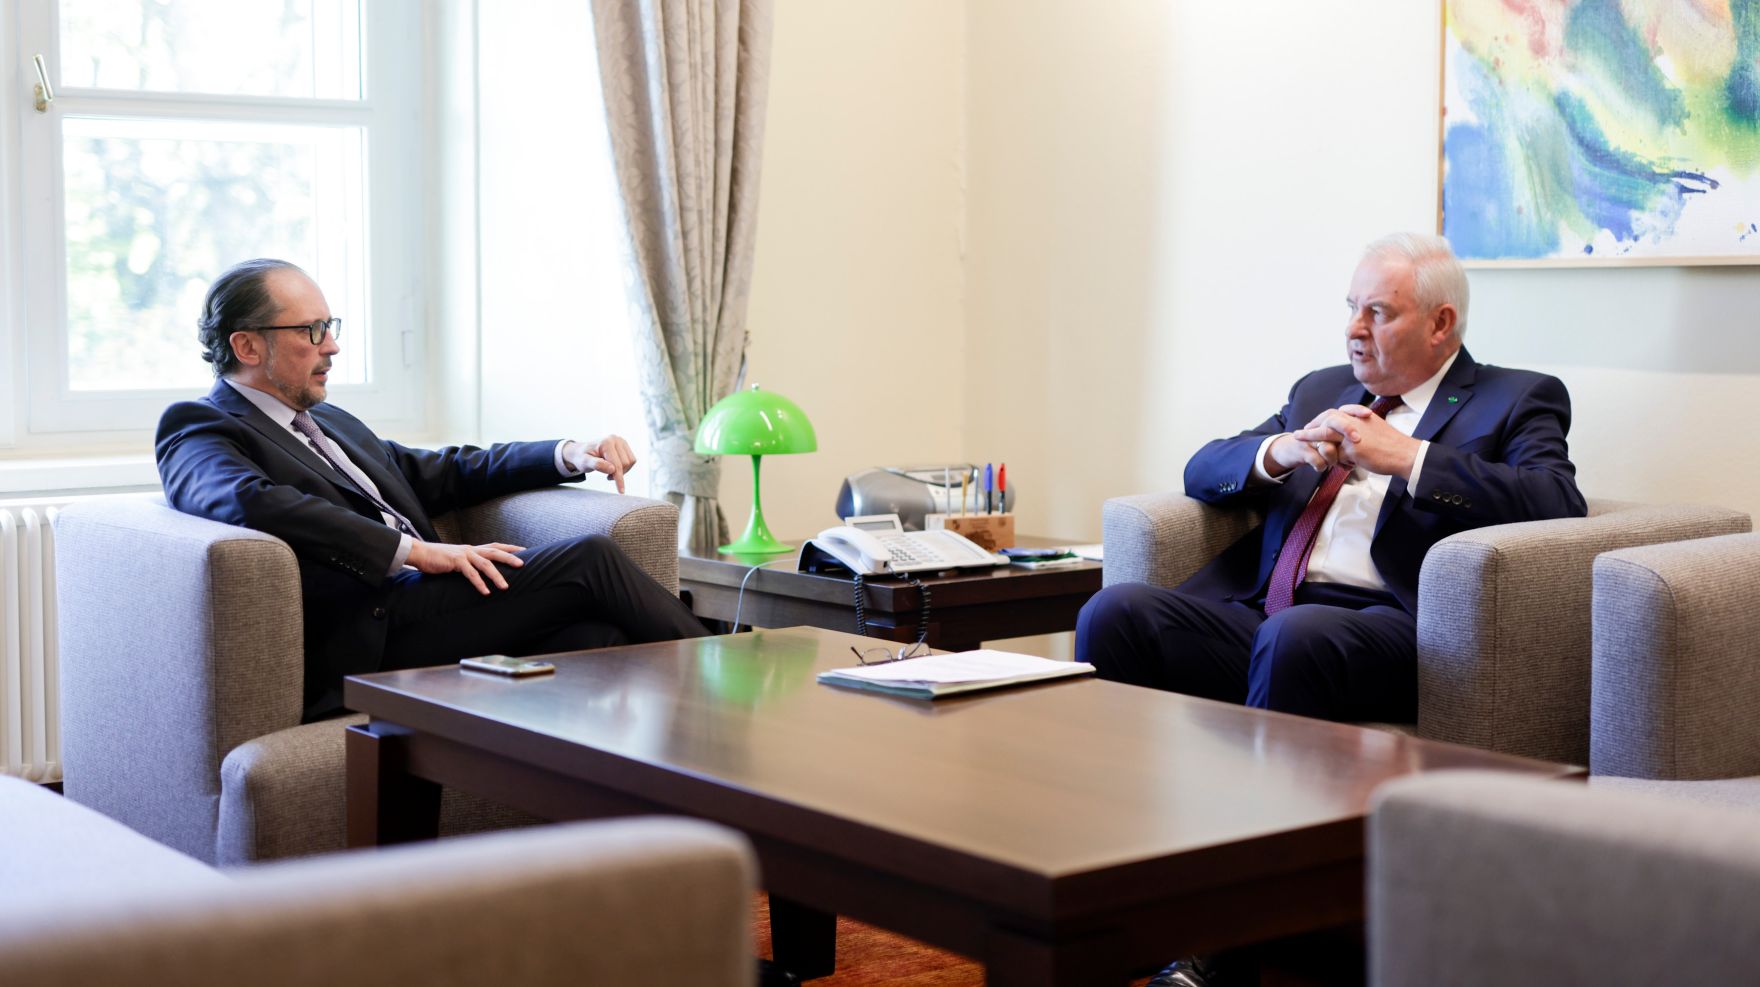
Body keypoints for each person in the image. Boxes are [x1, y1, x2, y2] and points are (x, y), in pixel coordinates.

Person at [156, 258, 707, 722]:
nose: (333, 348)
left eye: (332, 325)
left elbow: (441, 470)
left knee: (599, 638)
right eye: (311, 331)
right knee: (592, 558)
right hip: (369, 633)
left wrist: (566, 455)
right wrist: (417, 552)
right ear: (248, 346)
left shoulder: (332, 422)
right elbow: (247, 500)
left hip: (428, 611)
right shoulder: (199, 427)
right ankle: (727, 688)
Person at [1076, 232, 1586, 724]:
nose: (1353, 329)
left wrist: (1410, 457)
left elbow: (1556, 501)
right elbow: (1203, 470)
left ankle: (1271, 811)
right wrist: (1284, 451)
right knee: (1114, 611)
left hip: (1392, 628)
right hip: (1268, 613)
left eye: (1377, 313)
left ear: (1440, 324)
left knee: (1295, 636)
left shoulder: (1514, 398)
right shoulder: (1323, 388)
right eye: (1351, 308)